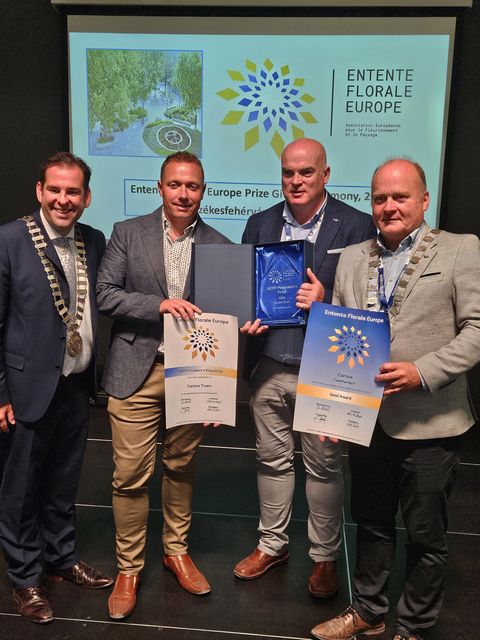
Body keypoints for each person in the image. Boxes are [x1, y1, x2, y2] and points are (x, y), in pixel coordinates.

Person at [311, 158, 480, 640]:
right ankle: (368, 611)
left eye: (400, 197)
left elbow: (477, 329)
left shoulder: (460, 249)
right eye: (380, 198)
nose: (389, 207)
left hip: (433, 423)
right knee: (372, 523)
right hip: (367, 422)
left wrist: (422, 371)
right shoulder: (350, 257)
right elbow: (338, 336)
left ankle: (414, 627)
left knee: (426, 537)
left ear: (424, 201)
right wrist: (333, 405)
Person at [234, 138, 376, 597]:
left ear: (325, 175)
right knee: (271, 461)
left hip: (326, 368)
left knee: (324, 468)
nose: (295, 181)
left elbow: (370, 305)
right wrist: (245, 317)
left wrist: (325, 300)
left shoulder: (356, 226)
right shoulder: (259, 222)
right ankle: (272, 545)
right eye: (288, 172)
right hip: (269, 364)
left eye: (306, 172)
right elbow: (243, 290)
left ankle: (324, 558)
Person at [97, 151, 231, 620]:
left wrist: (222, 384)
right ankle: (129, 569)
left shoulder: (219, 243)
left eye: (192, 186)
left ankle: (176, 552)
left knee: (180, 467)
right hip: (136, 371)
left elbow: (226, 319)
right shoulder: (126, 232)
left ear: (203, 189)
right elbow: (105, 294)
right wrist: (159, 305)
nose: (183, 193)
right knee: (130, 476)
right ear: (160, 187)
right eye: (175, 184)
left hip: (193, 375)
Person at [0, 152, 112, 624]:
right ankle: (26, 578)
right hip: (25, 387)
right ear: (40, 190)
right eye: (56, 190)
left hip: (74, 383)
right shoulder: (8, 240)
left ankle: (61, 558)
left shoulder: (94, 239)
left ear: (86, 197)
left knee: (64, 480)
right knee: (21, 488)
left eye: (73, 192)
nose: (64, 200)